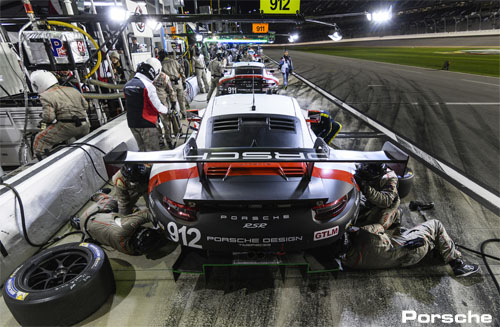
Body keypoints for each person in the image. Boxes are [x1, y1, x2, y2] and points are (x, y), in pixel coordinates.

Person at [340, 219, 480, 277]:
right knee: (435, 224)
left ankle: (438, 250)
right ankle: (457, 264)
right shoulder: (366, 235)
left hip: (398, 259)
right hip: (412, 251)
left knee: (402, 231)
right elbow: (379, 227)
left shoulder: (349, 262)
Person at [77, 192, 165, 255]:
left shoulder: (126, 227)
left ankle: (97, 195)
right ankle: (78, 223)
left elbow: (148, 213)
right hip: (88, 232)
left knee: (112, 200)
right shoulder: (131, 251)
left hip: (89, 216)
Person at [31, 70, 90, 159]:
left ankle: (40, 166)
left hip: (67, 126)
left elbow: (49, 117)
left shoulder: (45, 96)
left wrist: (42, 116)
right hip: (84, 125)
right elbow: (86, 106)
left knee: (40, 139)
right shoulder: (72, 89)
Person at [123, 57, 168, 151]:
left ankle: (145, 166)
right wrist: (166, 109)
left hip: (132, 124)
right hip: (147, 124)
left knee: (142, 151)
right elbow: (157, 107)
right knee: (152, 153)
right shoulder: (148, 86)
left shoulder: (127, 85)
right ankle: (152, 166)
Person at [354, 163, 401, 230]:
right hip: (368, 199)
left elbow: (386, 201)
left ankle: (395, 216)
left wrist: (366, 189)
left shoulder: (390, 178)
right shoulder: (363, 166)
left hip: (386, 205)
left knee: (374, 228)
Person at [153, 71, 178, 149]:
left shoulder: (164, 77)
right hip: (151, 103)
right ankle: (160, 140)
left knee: (166, 123)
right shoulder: (147, 77)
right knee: (155, 124)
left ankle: (169, 140)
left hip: (163, 103)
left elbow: (170, 90)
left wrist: (173, 101)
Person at [161, 50, 187, 118]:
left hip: (170, 85)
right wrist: (184, 81)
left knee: (173, 101)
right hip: (179, 83)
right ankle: (184, 114)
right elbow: (182, 72)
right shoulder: (175, 61)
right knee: (181, 100)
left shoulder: (161, 65)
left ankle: (176, 117)